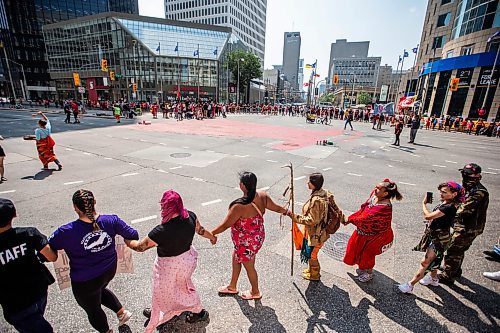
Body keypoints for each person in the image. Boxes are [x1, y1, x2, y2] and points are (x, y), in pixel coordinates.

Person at [48, 190, 139, 333]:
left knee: (93, 309)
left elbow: (48, 249)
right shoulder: (111, 220)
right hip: (109, 270)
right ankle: (122, 313)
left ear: (75, 208)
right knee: (100, 289)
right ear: (94, 201)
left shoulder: (65, 232)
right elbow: (133, 234)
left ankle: (106, 331)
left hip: (84, 281)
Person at [127, 190, 215, 331]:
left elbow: (140, 247)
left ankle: (161, 311)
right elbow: (201, 230)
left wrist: (127, 241)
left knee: (162, 291)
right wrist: (212, 237)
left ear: (165, 206)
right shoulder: (191, 216)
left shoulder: (161, 231)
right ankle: (197, 311)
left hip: (168, 266)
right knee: (184, 286)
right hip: (187, 262)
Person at [211, 172, 288, 300]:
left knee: (249, 266)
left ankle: (255, 291)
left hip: (246, 243)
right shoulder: (262, 196)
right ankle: (232, 286)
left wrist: (212, 233)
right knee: (236, 257)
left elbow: (225, 225)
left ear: (242, 185)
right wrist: (288, 212)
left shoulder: (239, 206)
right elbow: (276, 208)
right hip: (256, 237)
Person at [0, 198, 58, 333]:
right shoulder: (28, 233)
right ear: (14, 214)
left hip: (13, 303)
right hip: (38, 290)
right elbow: (52, 256)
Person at [398, 182, 465, 294]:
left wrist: (423, 204)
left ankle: (410, 285)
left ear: (454, 194)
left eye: (444, 192)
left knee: (425, 262)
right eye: (441, 191)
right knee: (436, 259)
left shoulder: (448, 207)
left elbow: (428, 216)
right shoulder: (447, 203)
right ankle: (433, 279)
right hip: (436, 236)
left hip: (439, 239)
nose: (441, 194)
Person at [439, 163, 489, 285]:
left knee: (454, 250)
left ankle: (448, 276)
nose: (465, 176)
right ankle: (454, 270)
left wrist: (445, 209)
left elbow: (462, 211)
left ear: (478, 175)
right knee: (457, 249)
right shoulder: (468, 187)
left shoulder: (478, 192)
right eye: (464, 173)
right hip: (462, 224)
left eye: (468, 174)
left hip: (469, 228)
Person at [343, 179, 402, 282]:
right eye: (376, 187)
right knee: (355, 248)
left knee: (367, 255)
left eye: (378, 188)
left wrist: (349, 219)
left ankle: (369, 273)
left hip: (375, 237)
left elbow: (365, 220)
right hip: (363, 233)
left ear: (385, 193)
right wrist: (351, 218)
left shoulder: (383, 209)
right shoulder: (376, 197)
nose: (375, 189)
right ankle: (362, 266)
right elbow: (364, 210)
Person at [287, 173, 342, 281]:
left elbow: (312, 220)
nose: (307, 183)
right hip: (315, 231)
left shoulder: (317, 201)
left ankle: (315, 275)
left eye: (309, 182)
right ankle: (311, 270)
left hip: (317, 234)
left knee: (312, 255)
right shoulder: (324, 193)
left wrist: (293, 216)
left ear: (314, 184)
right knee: (311, 253)